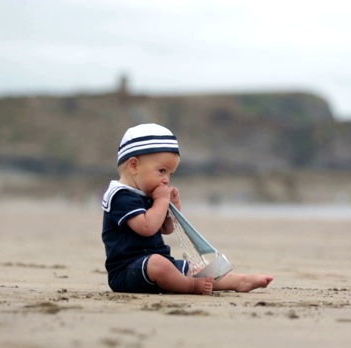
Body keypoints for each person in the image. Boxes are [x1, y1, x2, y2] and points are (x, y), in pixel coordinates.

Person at [101, 123, 273, 295]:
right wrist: (161, 200)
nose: (166, 179)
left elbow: (166, 229)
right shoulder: (120, 196)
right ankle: (191, 286)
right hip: (127, 271)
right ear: (134, 166)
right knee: (159, 265)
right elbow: (147, 228)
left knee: (196, 268)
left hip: (158, 265)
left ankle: (238, 281)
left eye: (170, 174)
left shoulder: (146, 193)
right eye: (162, 171)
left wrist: (173, 207)